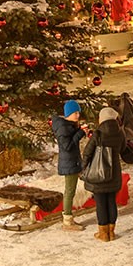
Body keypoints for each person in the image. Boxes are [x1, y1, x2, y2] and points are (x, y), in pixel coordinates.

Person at [82, 106, 126, 242]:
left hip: (98, 174)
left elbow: (87, 152)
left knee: (100, 203)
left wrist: (83, 168)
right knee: (111, 201)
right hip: (114, 174)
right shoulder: (120, 133)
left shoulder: (98, 134)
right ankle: (111, 232)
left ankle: (103, 233)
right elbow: (123, 149)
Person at [52, 99, 87, 231]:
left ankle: (68, 218)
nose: (78, 115)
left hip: (73, 161)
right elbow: (67, 146)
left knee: (71, 190)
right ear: (69, 113)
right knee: (70, 191)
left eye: (78, 113)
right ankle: (67, 220)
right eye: (75, 113)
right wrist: (80, 133)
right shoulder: (63, 128)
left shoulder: (69, 125)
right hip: (69, 163)